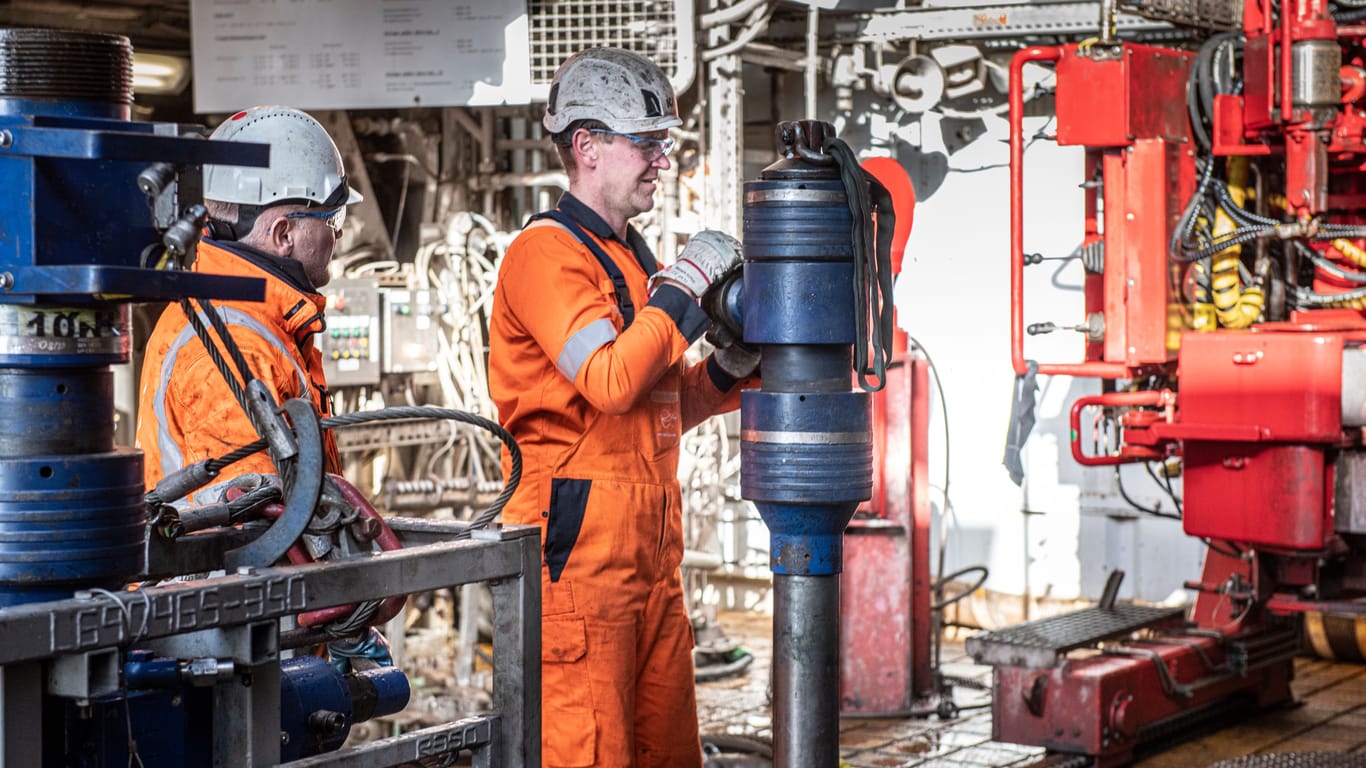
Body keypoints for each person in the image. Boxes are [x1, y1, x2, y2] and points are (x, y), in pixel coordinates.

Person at [488, 47, 760, 767]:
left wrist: (729, 370)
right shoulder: (546, 256)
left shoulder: (630, 260)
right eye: (647, 143)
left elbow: (652, 410)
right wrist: (682, 289)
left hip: (649, 567)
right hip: (579, 573)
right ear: (587, 147)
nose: (661, 161)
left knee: (671, 756)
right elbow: (610, 381)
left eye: (662, 144)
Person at [137, 105, 360, 499]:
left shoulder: (252, 318)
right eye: (334, 217)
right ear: (282, 234)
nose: (339, 235)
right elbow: (258, 532)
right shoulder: (233, 350)